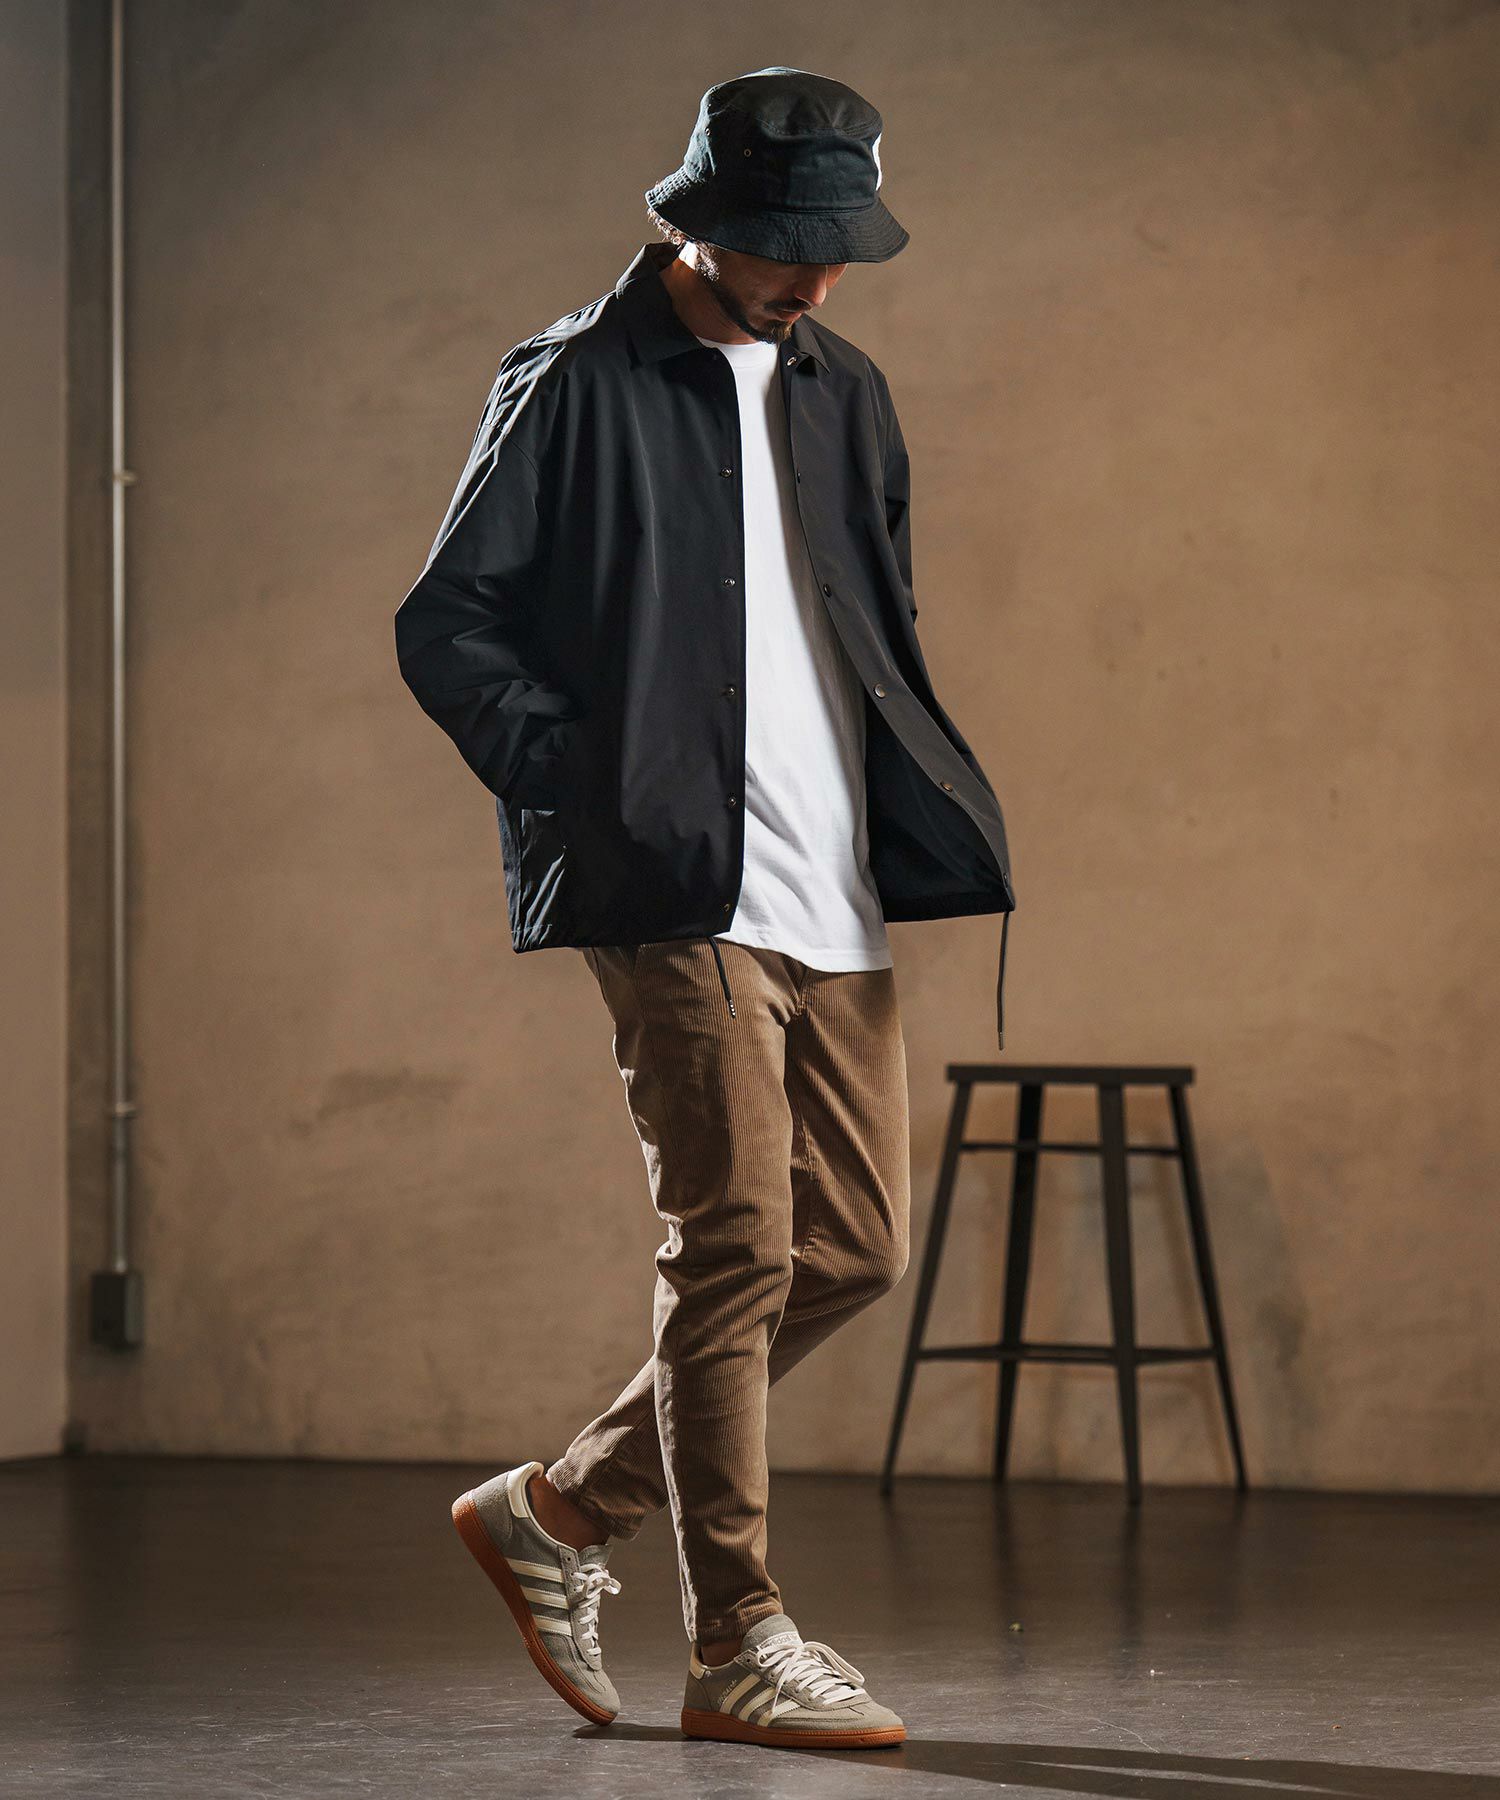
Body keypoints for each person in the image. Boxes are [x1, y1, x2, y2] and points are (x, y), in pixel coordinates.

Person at [395, 66, 1016, 1752]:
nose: (811, 276)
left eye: (835, 248)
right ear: (697, 219)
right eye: (781, 243)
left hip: (836, 881)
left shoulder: (846, 391)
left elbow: (865, 630)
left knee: (857, 1247)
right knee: (737, 1240)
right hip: (673, 879)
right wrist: (594, 783)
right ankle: (738, 1636)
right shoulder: (575, 379)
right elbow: (450, 624)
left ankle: (557, 1511)